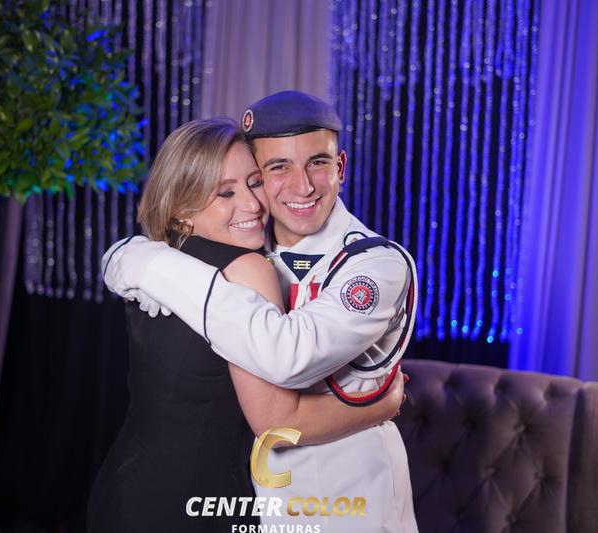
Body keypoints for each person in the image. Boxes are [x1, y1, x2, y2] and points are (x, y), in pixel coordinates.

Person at [103, 91, 420, 532]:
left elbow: (288, 356)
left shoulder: (374, 263)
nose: (302, 187)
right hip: (250, 504)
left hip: (348, 501)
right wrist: (135, 257)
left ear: (341, 167)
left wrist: (147, 264)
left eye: (318, 163)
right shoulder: (242, 248)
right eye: (277, 168)